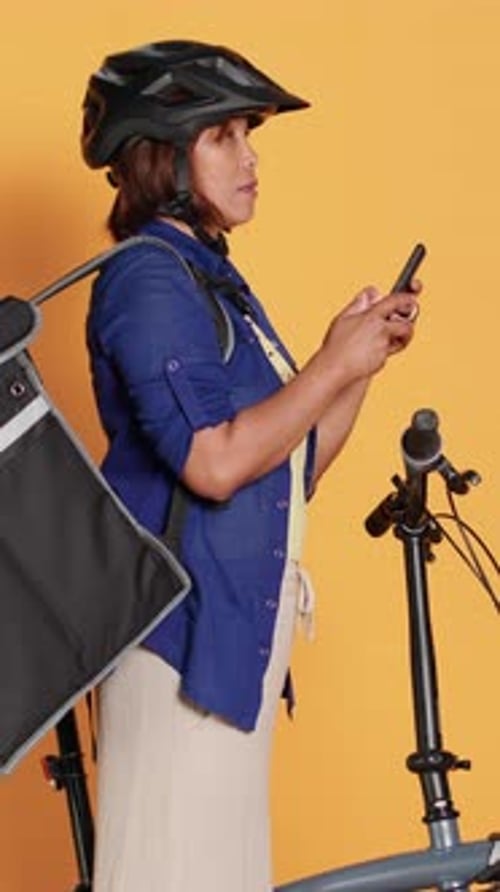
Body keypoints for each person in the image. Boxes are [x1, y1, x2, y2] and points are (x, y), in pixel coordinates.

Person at [81, 39, 420, 892]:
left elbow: (284, 472)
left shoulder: (209, 282)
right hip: (177, 653)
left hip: (232, 649)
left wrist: (358, 368)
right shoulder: (148, 281)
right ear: (163, 154)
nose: (251, 158)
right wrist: (328, 367)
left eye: (248, 136)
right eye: (225, 135)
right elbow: (214, 463)